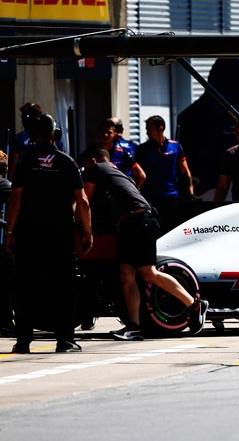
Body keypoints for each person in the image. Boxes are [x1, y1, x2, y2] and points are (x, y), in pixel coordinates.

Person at [81, 148, 208, 340]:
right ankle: (134, 327)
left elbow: (84, 200)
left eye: (83, 167)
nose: (83, 173)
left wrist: (80, 224)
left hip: (140, 221)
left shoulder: (96, 168)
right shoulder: (120, 174)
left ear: (92, 161)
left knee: (148, 273)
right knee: (126, 275)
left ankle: (194, 304)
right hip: (133, 222)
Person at [5, 113, 93, 353]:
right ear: (56, 135)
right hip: (59, 235)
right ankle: (64, 340)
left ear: (34, 136)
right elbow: (82, 200)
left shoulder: (25, 160)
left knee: (25, 286)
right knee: (63, 286)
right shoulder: (66, 162)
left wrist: (9, 232)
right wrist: (87, 231)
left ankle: (23, 341)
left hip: (29, 234)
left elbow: (15, 199)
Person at [135, 115, 194, 232]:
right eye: (146, 129)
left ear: (160, 128)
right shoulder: (142, 149)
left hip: (172, 198)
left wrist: (190, 193)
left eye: (150, 129)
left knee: (171, 229)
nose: (147, 133)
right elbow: (136, 174)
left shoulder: (175, 146)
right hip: (150, 198)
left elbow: (185, 171)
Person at [80, 118, 146, 189]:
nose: (105, 135)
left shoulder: (122, 151)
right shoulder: (91, 150)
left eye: (109, 133)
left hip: (117, 193)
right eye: (102, 132)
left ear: (115, 134)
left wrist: (131, 192)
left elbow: (141, 175)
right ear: (98, 133)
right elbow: (76, 166)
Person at [0, 151, 16, 336]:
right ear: (5, 169)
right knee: (10, 270)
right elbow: (20, 199)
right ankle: (5, 320)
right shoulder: (5, 184)